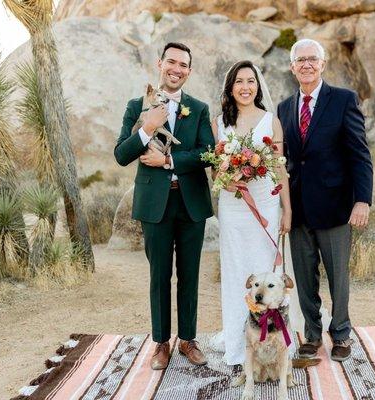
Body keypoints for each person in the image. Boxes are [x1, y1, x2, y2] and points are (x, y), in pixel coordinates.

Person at [114, 42, 214, 370]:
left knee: (189, 274)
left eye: (183, 64)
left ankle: (188, 339)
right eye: (171, 62)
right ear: (160, 63)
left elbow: (206, 153)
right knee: (160, 275)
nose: (176, 68)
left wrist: (169, 159)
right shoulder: (136, 106)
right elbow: (121, 154)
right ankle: (160, 343)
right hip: (154, 204)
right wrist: (147, 128)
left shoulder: (198, 108)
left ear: (189, 70)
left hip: (191, 204)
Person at [276, 39, 373, 362]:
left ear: (322, 63)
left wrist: (363, 201)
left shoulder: (343, 100)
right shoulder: (285, 108)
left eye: (312, 59)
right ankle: (313, 334)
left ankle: (342, 334)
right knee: (304, 277)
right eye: (300, 60)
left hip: (335, 207)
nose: (306, 64)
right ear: (292, 67)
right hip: (299, 210)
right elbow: (284, 161)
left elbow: (360, 154)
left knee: (337, 277)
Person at [210, 60, 292, 366]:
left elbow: (281, 170)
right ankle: (237, 347)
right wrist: (228, 178)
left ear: (258, 87)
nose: (246, 87)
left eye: (251, 81)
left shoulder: (271, 121)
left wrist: (287, 209)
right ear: (230, 88)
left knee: (266, 274)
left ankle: (272, 346)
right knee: (235, 276)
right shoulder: (219, 123)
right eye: (239, 82)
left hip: (265, 206)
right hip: (233, 207)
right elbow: (215, 168)